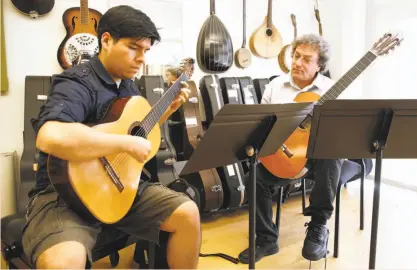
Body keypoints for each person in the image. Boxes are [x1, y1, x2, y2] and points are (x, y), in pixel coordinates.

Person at [22, 5, 201, 269]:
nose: (141, 58)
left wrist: (167, 110)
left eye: (146, 51)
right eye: (133, 48)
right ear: (105, 40)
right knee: (64, 260)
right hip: (63, 194)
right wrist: (125, 142)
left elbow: (137, 132)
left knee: (188, 213)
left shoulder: (127, 85)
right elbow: (49, 136)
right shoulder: (77, 83)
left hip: (121, 189)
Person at [238, 34, 342, 263]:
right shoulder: (275, 87)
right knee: (254, 176)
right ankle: (266, 239)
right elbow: (261, 127)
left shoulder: (331, 90)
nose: (297, 62)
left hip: (317, 162)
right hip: (285, 157)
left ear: (319, 65)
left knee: (331, 153)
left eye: (306, 59)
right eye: (295, 56)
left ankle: (317, 227)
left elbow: (340, 131)